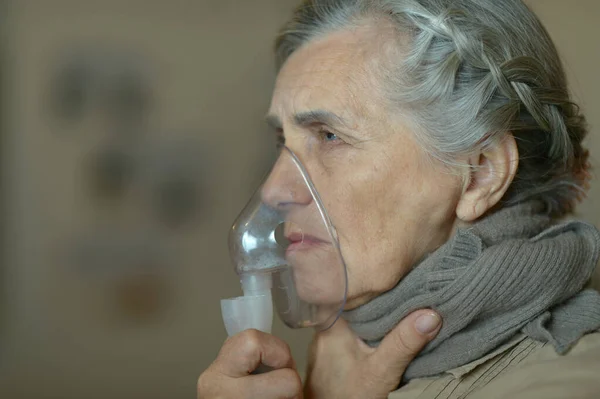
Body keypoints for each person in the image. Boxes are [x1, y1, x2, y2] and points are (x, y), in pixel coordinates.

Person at [198, 0, 600, 398]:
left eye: (329, 136)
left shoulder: (567, 383)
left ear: (480, 174)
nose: (273, 191)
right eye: (283, 141)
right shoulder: (341, 374)